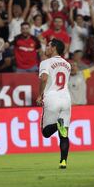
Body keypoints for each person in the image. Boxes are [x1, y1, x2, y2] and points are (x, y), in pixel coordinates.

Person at [36, 39, 71, 169]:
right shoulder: (67, 64)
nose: (46, 48)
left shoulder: (46, 62)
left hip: (52, 98)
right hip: (66, 99)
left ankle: (57, 125)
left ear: (54, 47)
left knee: (45, 132)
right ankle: (63, 161)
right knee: (64, 134)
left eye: (48, 46)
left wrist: (40, 95)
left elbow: (44, 78)